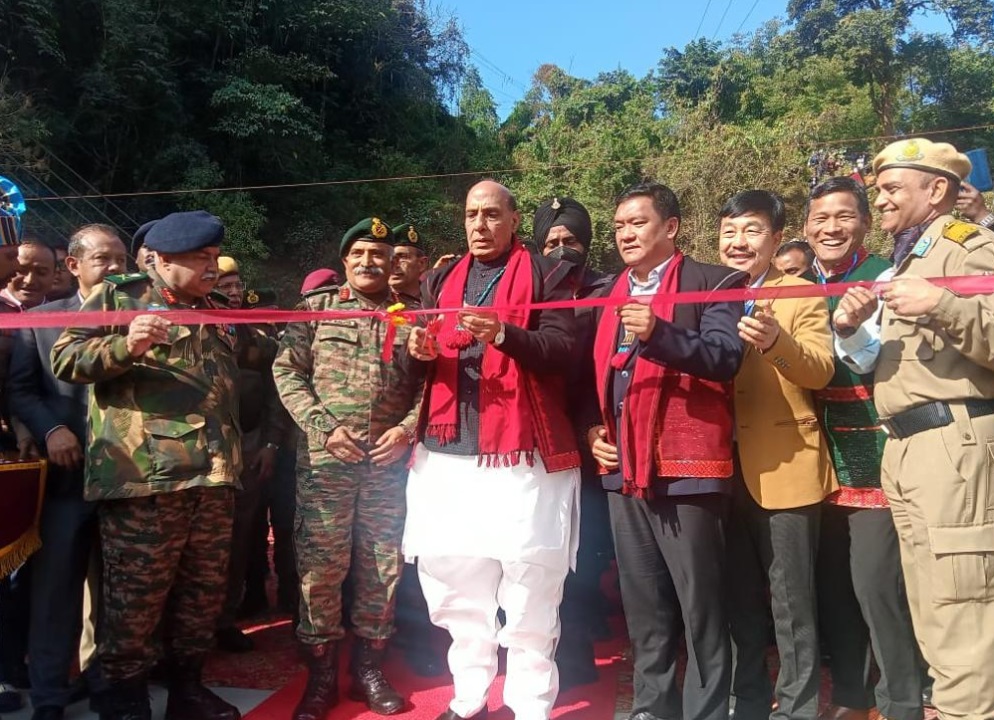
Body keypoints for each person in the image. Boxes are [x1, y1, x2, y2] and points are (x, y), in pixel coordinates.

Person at [50, 210, 277, 720]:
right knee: (136, 596)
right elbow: (66, 359)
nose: (212, 267)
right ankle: (125, 695)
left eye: (213, 257)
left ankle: (187, 689)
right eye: (201, 258)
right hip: (145, 479)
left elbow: (265, 350)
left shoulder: (216, 308)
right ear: (165, 259)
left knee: (201, 592)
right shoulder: (119, 296)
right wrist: (126, 344)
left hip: (214, 477)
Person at [404, 180, 581, 720]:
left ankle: (529, 706)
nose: (479, 226)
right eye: (471, 215)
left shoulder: (551, 274)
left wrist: (505, 334)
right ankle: (469, 699)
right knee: (456, 589)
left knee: (530, 589)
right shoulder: (439, 278)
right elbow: (424, 353)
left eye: (491, 215)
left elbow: (563, 351)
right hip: (447, 453)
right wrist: (418, 348)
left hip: (522, 457)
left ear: (513, 218)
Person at [834, 138, 994, 719]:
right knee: (932, 610)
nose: (880, 200)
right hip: (905, 446)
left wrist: (941, 306)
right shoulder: (910, 258)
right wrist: (851, 327)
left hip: (952, 443)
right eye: (878, 189)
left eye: (892, 188)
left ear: (938, 190)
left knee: (962, 610)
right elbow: (881, 360)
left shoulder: (965, 247)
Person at [582, 182, 746, 720]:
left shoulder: (715, 281)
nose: (625, 234)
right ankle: (653, 706)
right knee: (643, 601)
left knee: (700, 604)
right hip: (623, 469)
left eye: (637, 223)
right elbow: (590, 380)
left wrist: (658, 332)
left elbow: (724, 358)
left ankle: (706, 711)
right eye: (619, 227)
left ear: (670, 227)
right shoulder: (606, 291)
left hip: (688, 469)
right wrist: (591, 429)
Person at [273, 218, 422, 720]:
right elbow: (286, 371)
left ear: (393, 262)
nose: (368, 262)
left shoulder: (415, 316)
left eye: (378, 254)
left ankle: (369, 669)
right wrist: (323, 427)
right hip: (326, 463)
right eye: (358, 253)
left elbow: (435, 384)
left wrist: (405, 431)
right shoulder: (316, 310)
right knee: (321, 568)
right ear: (345, 261)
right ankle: (320, 677)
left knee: (382, 565)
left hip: (386, 465)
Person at [802, 177, 922, 720]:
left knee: (876, 586)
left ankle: (901, 700)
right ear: (806, 228)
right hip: (811, 455)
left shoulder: (888, 278)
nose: (831, 228)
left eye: (844, 216)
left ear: (865, 224)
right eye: (821, 218)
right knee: (832, 592)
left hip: (875, 452)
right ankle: (850, 697)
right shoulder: (793, 283)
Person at [718, 190, 836, 720]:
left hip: (786, 462)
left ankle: (797, 708)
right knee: (738, 598)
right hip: (720, 469)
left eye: (752, 231)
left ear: (774, 236)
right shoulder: (709, 291)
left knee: (790, 604)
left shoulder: (800, 290)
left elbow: (819, 370)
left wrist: (775, 341)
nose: (739, 242)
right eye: (729, 231)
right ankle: (747, 700)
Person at [8, 224, 128, 720]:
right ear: (73, 266)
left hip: (128, 478)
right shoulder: (38, 321)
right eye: (105, 259)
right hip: (66, 479)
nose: (117, 269)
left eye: (122, 258)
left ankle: (109, 687)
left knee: (117, 596)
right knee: (55, 592)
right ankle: (51, 697)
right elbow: (20, 391)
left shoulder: (143, 318)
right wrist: (52, 428)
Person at [532, 196, 612, 690]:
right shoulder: (529, 292)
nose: (562, 250)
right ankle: (548, 649)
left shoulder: (609, 290)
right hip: (539, 441)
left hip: (596, 437)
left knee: (589, 550)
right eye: (552, 242)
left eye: (571, 241)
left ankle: (578, 644)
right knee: (542, 551)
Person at [214, 258, 290, 653]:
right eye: (223, 284)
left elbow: (277, 396)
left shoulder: (258, 340)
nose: (232, 291)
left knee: (239, 541)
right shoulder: (189, 327)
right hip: (197, 455)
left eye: (236, 284)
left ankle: (224, 619)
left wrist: (270, 445)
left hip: (247, 448)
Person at [3, 240, 56, 309]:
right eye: (21, 271)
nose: (29, 281)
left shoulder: (63, 315)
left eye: (41, 272)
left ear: (54, 275)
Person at [390, 223, 428, 306]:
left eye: (402, 257)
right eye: (389, 258)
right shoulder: (373, 303)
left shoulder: (437, 299)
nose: (394, 264)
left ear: (421, 264)